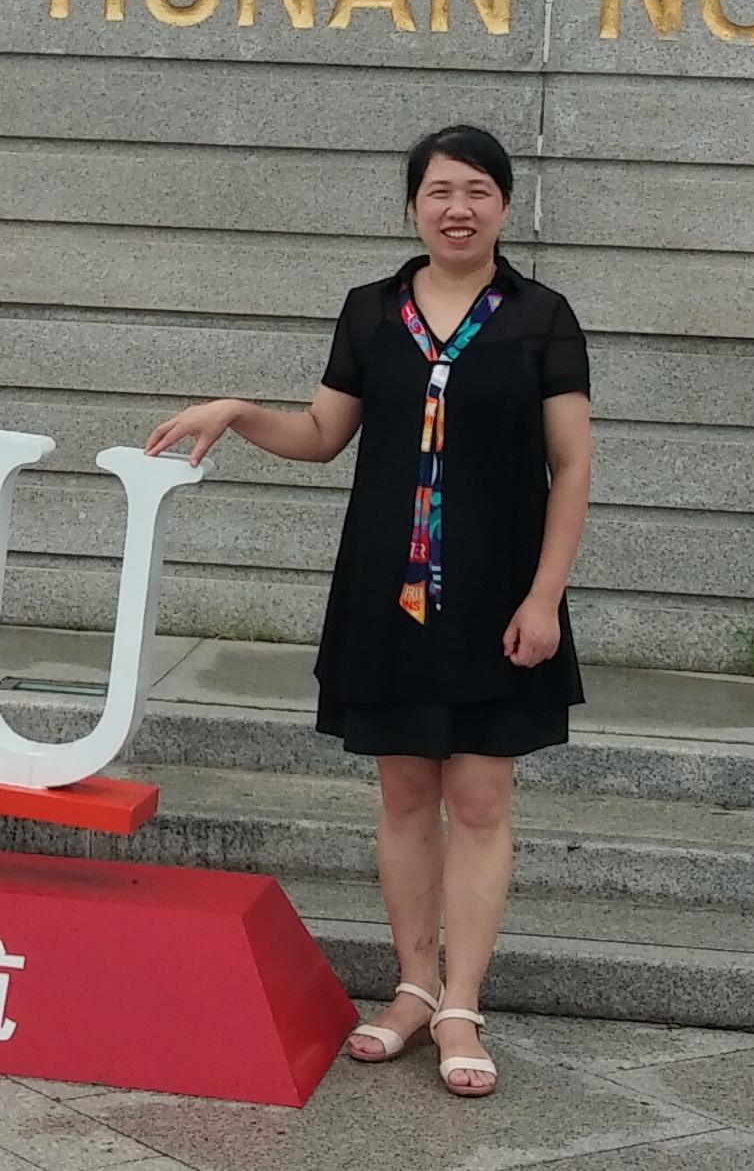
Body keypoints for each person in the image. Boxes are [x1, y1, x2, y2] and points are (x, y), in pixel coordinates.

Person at [145, 125, 591, 1098]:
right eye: (439, 191)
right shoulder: (369, 311)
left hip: (496, 597)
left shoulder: (542, 318)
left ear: (503, 205)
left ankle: (463, 1005)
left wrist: (544, 596)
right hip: (390, 598)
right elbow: (320, 434)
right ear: (413, 206)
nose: (458, 208)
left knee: (479, 800)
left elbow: (572, 467)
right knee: (402, 796)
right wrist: (236, 412)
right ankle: (414, 988)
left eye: (477, 190)